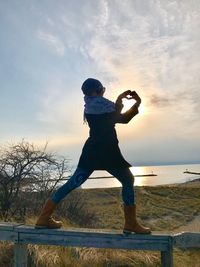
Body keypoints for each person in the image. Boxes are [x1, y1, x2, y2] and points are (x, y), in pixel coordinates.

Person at [35, 78, 151, 234]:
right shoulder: (103, 106)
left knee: (72, 184)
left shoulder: (91, 107)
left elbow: (114, 115)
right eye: (102, 89)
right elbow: (122, 118)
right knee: (128, 180)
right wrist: (136, 103)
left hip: (91, 153)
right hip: (108, 153)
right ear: (97, 90)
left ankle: (44, 217)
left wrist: (119, 101)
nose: (103, 91)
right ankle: (130, 223)